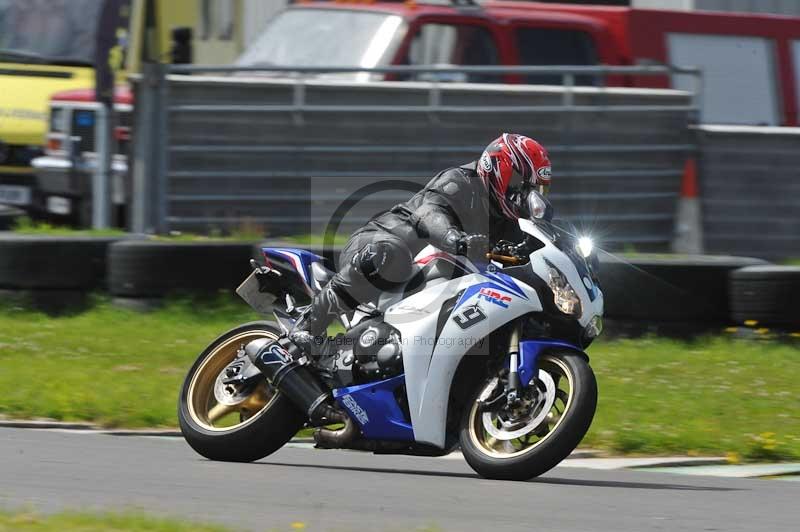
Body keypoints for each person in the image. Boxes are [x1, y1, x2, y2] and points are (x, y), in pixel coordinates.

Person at [289, 133, 552, 354]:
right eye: (524, 187)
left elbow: (535, 251)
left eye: (535, 190)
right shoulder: (459, 181)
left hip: (434, 283)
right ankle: (309, 324)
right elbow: (430, 214)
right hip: (377, 243)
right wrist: (455, 239)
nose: (527, 197)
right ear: (503, 171)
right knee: (392, 255)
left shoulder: (506, 220)